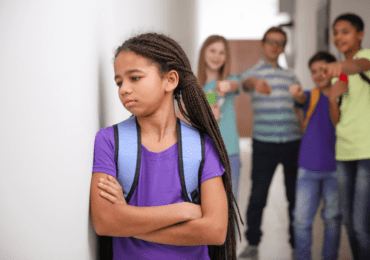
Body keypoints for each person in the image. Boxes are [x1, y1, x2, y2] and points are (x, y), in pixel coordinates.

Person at [90, 33, 242, 260]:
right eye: (119, 81)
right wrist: (182, 211)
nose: (123, 89)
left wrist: (128, 219)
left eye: (135, 78)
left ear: (170, 80)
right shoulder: (109, 141)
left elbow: (215, 231)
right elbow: (105, 223)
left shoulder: (202, 146)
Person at [239, 26, 302, 259]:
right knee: (258, 195)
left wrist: (301, 99)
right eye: (271, 41)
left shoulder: (291, 76)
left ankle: (298, 244)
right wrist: (255, 82)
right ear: (262, 44)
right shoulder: (251, 74)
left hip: (292, 143)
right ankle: (253, 243)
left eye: (281, 43)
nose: (275, 46)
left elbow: (299, 107)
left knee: (294, 196)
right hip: (264, 144)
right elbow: (245, 84)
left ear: (284, 48)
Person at [322, 13, 370, 260]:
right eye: (336, 32)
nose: (339, 36)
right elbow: (336, 119)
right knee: (350, 224)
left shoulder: (366, 58)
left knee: (362, 227)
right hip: (344, 153)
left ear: (360, 34)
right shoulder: (336, 74)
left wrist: (340, 67)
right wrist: (332, 97)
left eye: (345, 31)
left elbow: (359, 66)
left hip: (366, 153)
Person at [290, 51, 344, 260]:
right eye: (314, 72)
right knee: (301, 221)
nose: (319, 75)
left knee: (332, 218)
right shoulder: (309, 96)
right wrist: (297, 95)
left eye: (324, 70)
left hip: (336, 169)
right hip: (308, 168)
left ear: (334, 69)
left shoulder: (343, 95)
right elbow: (300, 98)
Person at [196, 35, 241, 200]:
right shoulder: (193, 87)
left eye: (222, 52)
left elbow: (237, 85)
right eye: (212, 50)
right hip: (203, 155)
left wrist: (226, 86)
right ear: (203, 52)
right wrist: (215, 95)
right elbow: (199, 109)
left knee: (230, 208)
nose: (216, 56)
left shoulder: (231, 81)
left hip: (230, 153)